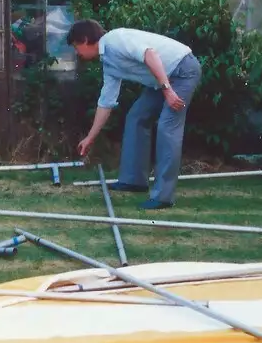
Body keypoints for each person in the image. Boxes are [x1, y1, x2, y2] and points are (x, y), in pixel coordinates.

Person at [69, 21, 201, 210]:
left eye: (76, 46)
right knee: (136, 117)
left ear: (85, 39)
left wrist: (168, 90)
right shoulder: (109, 62)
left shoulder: (116, 40)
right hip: (162, 78)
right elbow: (106, 102)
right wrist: (90, 137)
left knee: (167, 126)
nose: (77, 53)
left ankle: (163, 197)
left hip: (182, 71)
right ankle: (134, 180)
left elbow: (150, 54)